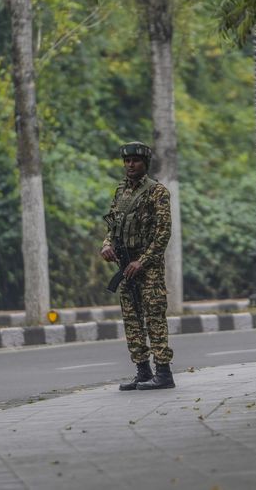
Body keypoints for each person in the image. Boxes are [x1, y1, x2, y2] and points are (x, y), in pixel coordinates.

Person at [100, 141, 175, 390]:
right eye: (127, 161)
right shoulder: (121, 191)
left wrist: (142, 262)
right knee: (131, 319)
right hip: (125, 264)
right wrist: (106, 244)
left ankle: (163, 373)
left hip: (148, 265)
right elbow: (112, 225)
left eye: (135, 160)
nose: (130, 165)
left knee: (153, 316)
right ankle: (142, 371)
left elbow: (163, 234)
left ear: (145, 163)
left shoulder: (157, 192)